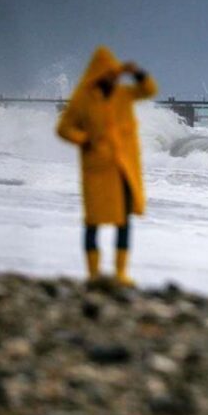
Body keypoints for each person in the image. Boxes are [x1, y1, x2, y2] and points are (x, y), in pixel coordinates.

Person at [56, 46, 157, 288]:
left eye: (115, 73)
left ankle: (120, 273)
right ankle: (92, 274)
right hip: (96, 169)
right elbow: (64, 128)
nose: (113, 78)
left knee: (123, 220)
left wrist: (138, 73)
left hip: (122, 167)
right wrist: (84, 140)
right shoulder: (82, 100)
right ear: (98, 74)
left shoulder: (123, 94)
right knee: (93, 221)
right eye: (109, 73)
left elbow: (149, 90)